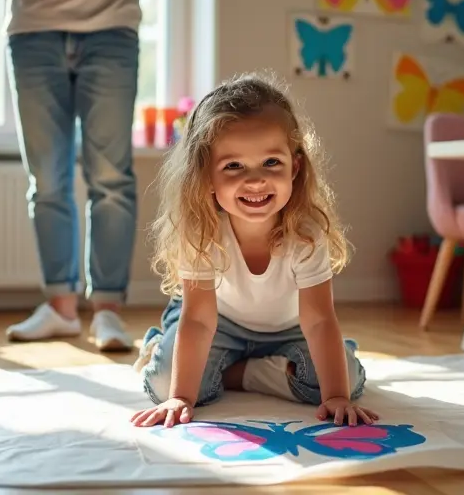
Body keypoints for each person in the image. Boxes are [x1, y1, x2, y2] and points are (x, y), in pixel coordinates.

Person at [130, 74, 379, 428]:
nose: (255, 180)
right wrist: (180, 396)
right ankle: (166, 346)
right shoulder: (202, 230)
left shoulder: (306, 233)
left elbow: (319, 320)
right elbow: (199, 320)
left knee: (344, 384)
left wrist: (336, 395)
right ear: (206, 176)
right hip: (219, 325)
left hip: (291, 328)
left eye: (271, 163)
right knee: (164, 384)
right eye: (233, 166)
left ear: (294, 167)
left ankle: (240, 372)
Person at [0, 0, 173, 351]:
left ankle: (107, 311)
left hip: (112, 31)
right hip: (33, 33)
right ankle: (60, 308)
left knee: (111, 178)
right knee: (47, 179)